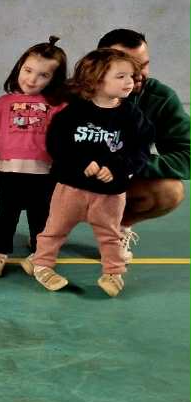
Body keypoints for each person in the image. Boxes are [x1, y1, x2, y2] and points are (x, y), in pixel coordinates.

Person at [29, 48, 152, 296]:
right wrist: (80, 162)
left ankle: (113, 273)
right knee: (54, 230)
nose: (129, 82)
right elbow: (57, 144)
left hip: (110, 192)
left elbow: (140, 150)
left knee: (110, 235)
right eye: (121, 76)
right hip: (70, 188)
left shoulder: (132, 116)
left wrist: (118, 168)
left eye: (131, 76)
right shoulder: (73, 113)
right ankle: (41, 265)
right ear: (96, 79)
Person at [0, 37, 68, 277]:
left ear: (54, 80)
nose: (32, 79)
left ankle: (41, 255)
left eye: (43, 75)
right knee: (6, 218)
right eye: (28, 70)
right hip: (9, 174)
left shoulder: (58, 106)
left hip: (44, 176)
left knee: (41, 218)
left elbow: (67, 137)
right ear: (19, 67)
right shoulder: (3, 103)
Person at [97, 29, 189, 260]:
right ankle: (45, 228)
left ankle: (118, 228)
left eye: (144, 64)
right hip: (73, 176)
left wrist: (130, 164)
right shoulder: (73, 93)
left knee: (169, 191)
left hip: (122, 178)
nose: (140, 74)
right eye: (128, 66)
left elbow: (188, 154)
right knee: (6, 169)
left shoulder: (160, 97)